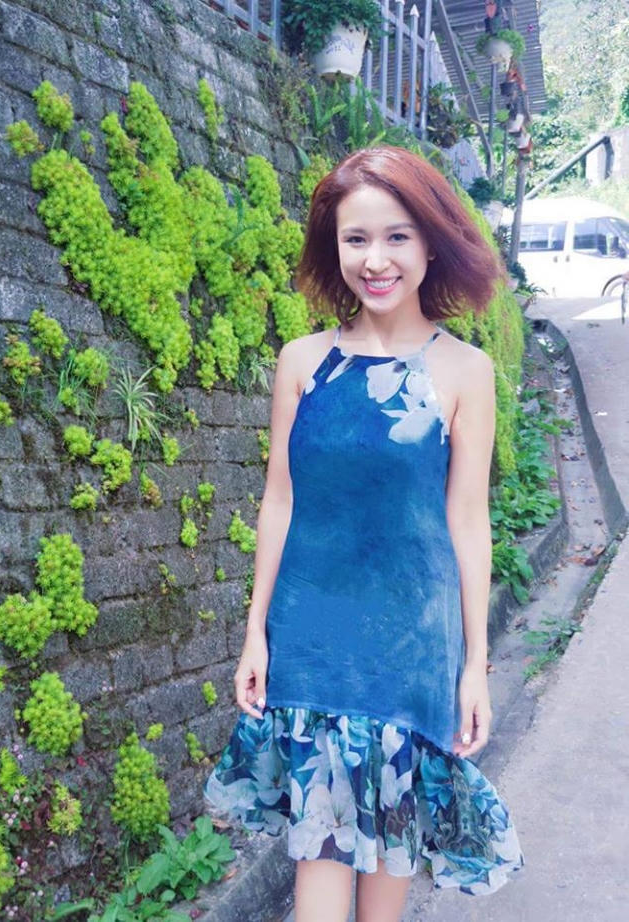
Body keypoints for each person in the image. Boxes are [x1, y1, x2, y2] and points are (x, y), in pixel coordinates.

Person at [203, 145, 524, 922]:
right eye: (356, 239)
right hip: (311, 639)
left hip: (411, 648)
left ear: (431, 244)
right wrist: (255, 633)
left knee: (387, 863)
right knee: (319, 855)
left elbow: (466, 521)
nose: (375, 260)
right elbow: (280, 500)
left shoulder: (466, 371)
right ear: (334, 247)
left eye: (396, 237)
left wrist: (474, 666)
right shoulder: (301, 363)